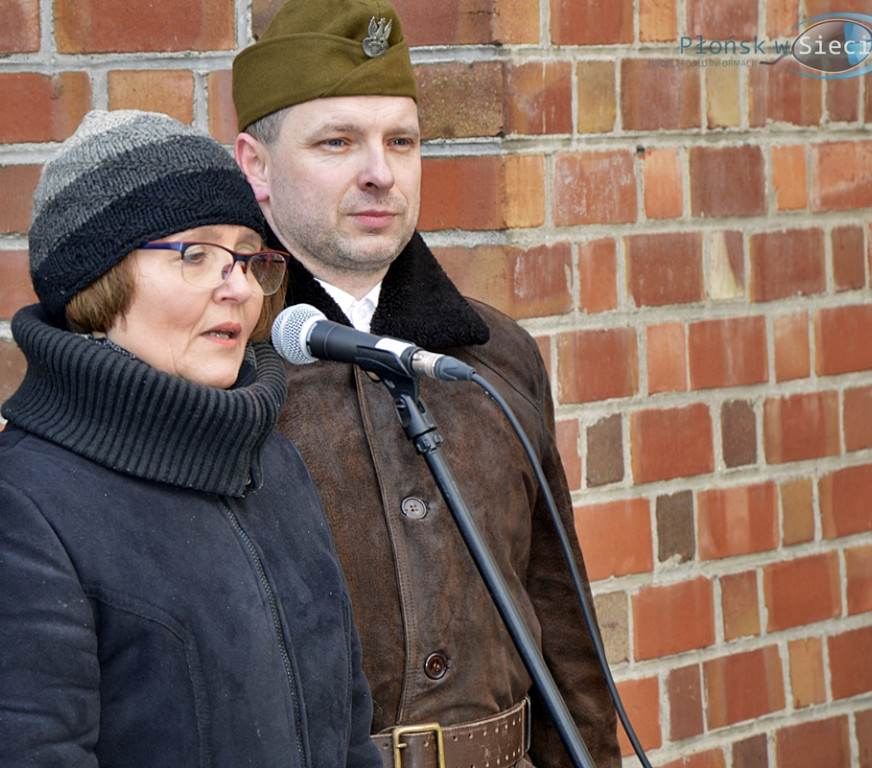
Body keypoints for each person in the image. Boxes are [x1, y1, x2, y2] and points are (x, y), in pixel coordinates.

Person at [0, 109, 381, 768]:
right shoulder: (12, 512)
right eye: (197, 254)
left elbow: (349, 734)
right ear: (97, 282)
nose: (239, 288)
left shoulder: (274, 465)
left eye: (249, 258)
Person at [231, 1, 621, 767]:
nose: (380, 172)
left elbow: (560, 621)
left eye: (401, 141)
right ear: (256, 165)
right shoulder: (224, 365)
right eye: (337, 141)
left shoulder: (493, 353)